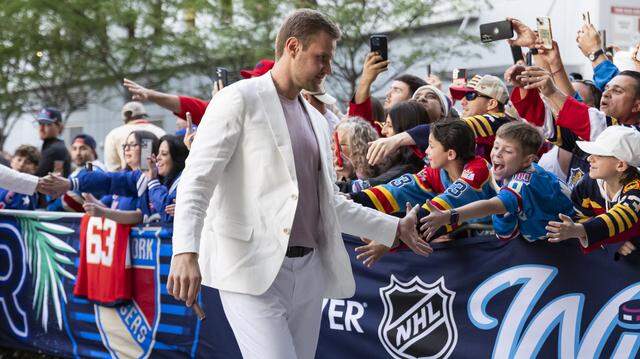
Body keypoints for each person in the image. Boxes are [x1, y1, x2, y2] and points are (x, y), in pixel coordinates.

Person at [168, 9, 431, 359]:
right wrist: (186, 251)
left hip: (307, 272)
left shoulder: (316, 120)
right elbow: (197, 181)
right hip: (249, 268)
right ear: (292, 47)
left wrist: (394, 226)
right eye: (321, 57)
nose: (328, 69)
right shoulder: (238, 99)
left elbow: (329, 203)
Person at [352, 120, 497, 267]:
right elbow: (399, 190)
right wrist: (351, 201)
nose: (426, 151)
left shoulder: (478, 170)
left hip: (496, 246)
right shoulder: (438, 171)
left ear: (451, 154)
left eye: (432, 146)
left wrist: (390, 237)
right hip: (475, 244)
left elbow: (441, 209)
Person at [420, 122, 575, 242]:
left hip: (571, 242)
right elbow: (507, 232)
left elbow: (491, 206)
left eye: (507, 151)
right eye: (496, 146)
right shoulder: (508, 175)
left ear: (527, 160)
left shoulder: (524, 182)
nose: (497, 154)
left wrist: (448, 216)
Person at [366, 74, 514, 165]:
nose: (463, 102)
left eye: (470, 96)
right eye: (462, 97)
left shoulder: (499, 120)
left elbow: (446, 129)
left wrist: (397, 139)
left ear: (492, 103)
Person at [546, 126, 640, 257]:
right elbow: (580, 217)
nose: (589, 158)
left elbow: (623, 215)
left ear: (621, 165)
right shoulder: (587, 184)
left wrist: (580, 230)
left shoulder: (637, 187)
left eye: (599, 155)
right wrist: (613, 242)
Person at [122, 59, 275, 126]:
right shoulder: (235, 105)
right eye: (250, 79)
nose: (250, 84)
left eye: (257, 80)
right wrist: (150, 94)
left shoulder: (281, 112)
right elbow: (185, 105)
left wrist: (222, 105)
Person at [348, 52, 427, 134]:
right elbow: (358, 122)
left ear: (413, 99)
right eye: (390, 89)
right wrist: (366, 79)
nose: (388, 94)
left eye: (397, 90)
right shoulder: (380, 130)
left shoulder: (426, 136)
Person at [47, 134, 107, 212]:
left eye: (83, 148)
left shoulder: (92, 166)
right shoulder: (79, 169)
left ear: (93, 151)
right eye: (74, 149)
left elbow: (70, 200)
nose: (78, 153)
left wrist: (53, 194)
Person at [103, 101, 166, 171]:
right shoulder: (160, 131)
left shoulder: (114, 134)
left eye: (132, 145)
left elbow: (112, 168)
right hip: (157, 176)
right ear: (144, 115)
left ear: (126, 116)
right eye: (126, 146)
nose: (126, 149)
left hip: (127, 178)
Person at [146, 135, 189, 223]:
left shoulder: (184, 181)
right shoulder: (169, 181)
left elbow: (166, 211)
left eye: (164, 154)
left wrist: (153, 181)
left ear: (177, 158)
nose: (157, 158)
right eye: (158, 153)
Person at [0, 145, 41, 210]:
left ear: (35, 168)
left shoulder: (31, 189)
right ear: (12, 161)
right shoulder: (2, 180)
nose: (21, 164)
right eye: (19, 160)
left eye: (27, 162)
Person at [34, 107, 71, 178]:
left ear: (60, 127)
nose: (41, 128)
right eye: (40, 123)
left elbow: (38, 178)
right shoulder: (51, 146)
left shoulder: (56, 149)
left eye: (47, 124)